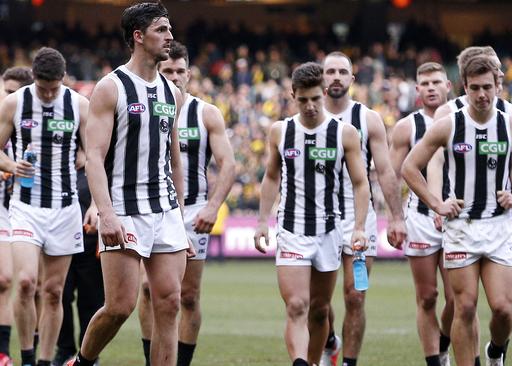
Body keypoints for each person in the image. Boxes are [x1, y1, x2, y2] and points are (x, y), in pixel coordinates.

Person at [402, 56, 512, 366]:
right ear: (464, 89)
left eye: (487, 87)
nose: (482, 95)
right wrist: (436, 203)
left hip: (498, 226)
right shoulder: (448, 125)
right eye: (475, 88)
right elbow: (409, 167)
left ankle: (496, 351)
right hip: (461, 228)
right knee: (464, 307)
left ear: (498, 86)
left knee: (503, 310)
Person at [69, 3, 190, 366]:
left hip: (165, 209)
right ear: (138, 36)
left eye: (169, 29)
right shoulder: (111, 88)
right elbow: (94, 156)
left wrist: (180, 215)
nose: (170, 37)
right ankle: (84, 361)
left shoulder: (173, 93)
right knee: (120, 307)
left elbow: (173, 158)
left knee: (169, 301)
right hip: (124, 210)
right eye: (162, 30)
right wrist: (106, 214)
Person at [254, 62, 369, 366]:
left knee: (319, 309)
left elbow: (360, 183)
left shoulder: (345, 134)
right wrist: (262, 221)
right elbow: (271, 177)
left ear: (324, 95)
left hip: (330, 232)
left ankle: (315, 361)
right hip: (292, 231)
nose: (309, 106)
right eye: (303, 100)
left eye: (315, 99)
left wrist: (358, 227)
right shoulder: (280, 132)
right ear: (293, 95)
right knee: (296, 305)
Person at [138, 40, 235, 366]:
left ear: (189, 74)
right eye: (169, 70)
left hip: (193, 211)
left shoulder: (206, 113)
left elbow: (228, 165)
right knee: (149, 291)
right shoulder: (143, 106)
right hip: (149, 206)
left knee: (188, 296)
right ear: (158, 69)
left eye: (181, 71)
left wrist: (212, 207)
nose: (175, 76)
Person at [0, 47, 90, 366]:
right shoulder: (15, 103)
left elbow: (96, 152)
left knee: (53, 291)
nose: (49, 94)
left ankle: (44, 361)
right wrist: (11, 165)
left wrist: (85, 159)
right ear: (34, 79)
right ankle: (26, 357)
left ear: (63, 79)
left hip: (65, 209)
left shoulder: (79, 105)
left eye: (54, 87)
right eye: (43, 88)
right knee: (25, 282)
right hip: (25, 206)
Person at [319, 51, 407, 366]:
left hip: (360, 216)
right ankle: (329, 340)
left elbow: (385, 171)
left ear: (352, 79)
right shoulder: (307, 117)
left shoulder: (367, 118)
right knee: (319, 302)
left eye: (343, 72)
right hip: (317, 217)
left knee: (355, 296)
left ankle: (348, 363)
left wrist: (396, 217)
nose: (337, 77)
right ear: (322, 77)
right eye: (331, 71)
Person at [388, 62, 453, 366]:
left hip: (459, 218)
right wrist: (395, 216)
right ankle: (434, 360)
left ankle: (445, 342)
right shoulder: (407, 127)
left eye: (436, 82)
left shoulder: (463, 119)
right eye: (424, 83)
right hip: (421, 218)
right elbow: (391, 175)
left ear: (449, 86)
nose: (430, 87)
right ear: (416, 90)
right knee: (427, 297)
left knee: (460, 300)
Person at [52, 152, 103, 366]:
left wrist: (95, 207)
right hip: (59, 243)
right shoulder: (56, 167)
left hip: (89, 243)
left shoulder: (97, 164)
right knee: (58, 296)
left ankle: (88, 353)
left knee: (90, 302)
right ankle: (63, 350)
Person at [0, 66, 34, 366]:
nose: (7, 97)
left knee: (27, 285)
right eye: (5, 90)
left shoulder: (33, 126)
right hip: (4, 209)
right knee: (5, 279)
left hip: (27, 210)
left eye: (12, 93)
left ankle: (32, 353)